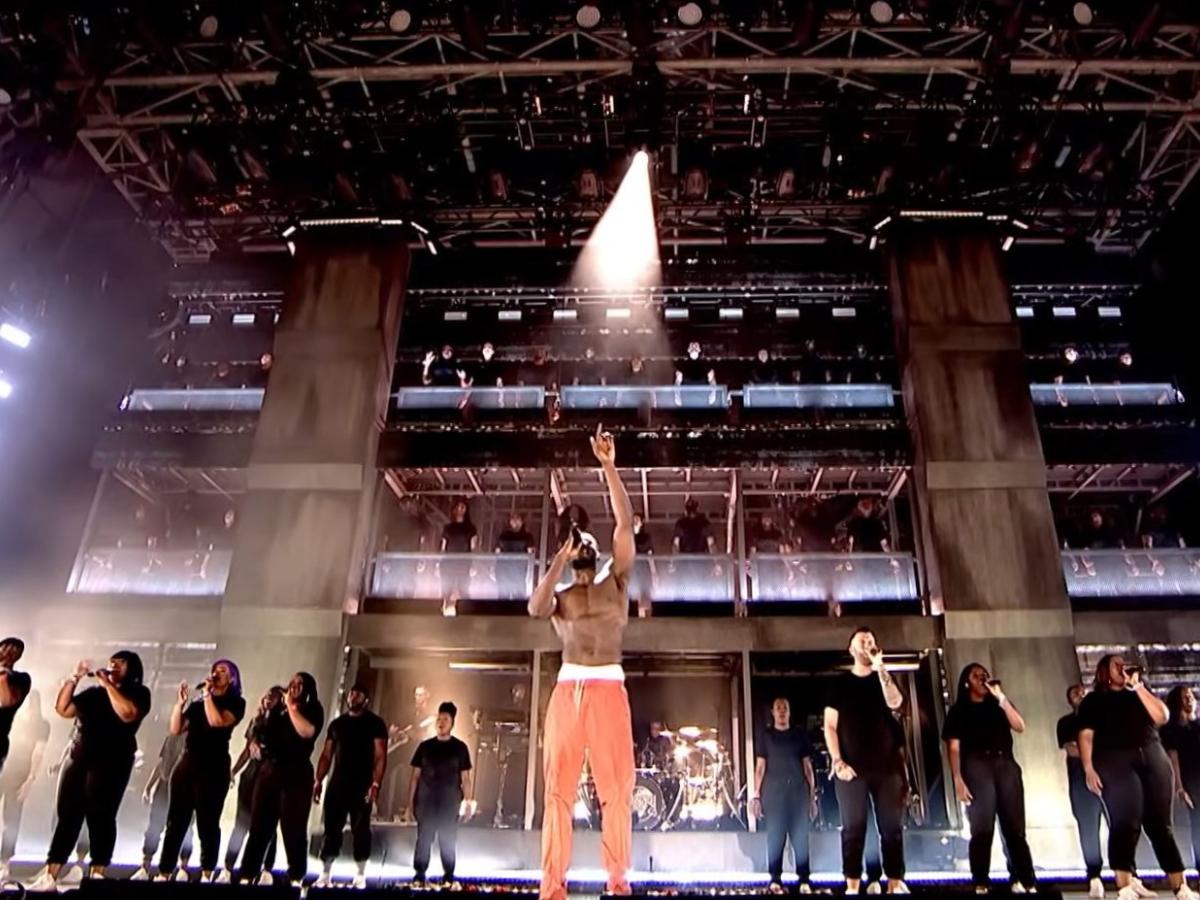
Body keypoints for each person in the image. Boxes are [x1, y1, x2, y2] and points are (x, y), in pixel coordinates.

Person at [529, 424, 636, 900]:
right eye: (580, 546)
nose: (586, 548)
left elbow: (625, 526)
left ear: (596, 553)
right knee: (558, 794)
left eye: (588, 545)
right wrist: (558, 558)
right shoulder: (564, 597)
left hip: (609, 688)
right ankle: (553, 886)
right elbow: (534, 607)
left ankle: (618, 881)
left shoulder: (618, 584)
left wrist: (609, 466)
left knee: (617, 792)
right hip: (568, 690)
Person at [28, 651, 152, 891]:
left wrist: (107, 683)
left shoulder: (138, 693)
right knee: (68, 815)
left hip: (113, 761)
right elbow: (63, 709)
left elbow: (127, 714)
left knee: (101, 817)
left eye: (121, 662)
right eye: (111, 662)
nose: (113, 665)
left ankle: (97, 873)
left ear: (132, 668)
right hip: (80, 757)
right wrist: (74, 677)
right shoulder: (93, 694)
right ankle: (51, 874)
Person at [1079, 655, 1197, 900]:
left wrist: (1139, 687)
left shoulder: (1139, 692)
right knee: (1125, 821)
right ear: (1104, 671)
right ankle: (1124, 885)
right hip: (1115, 760)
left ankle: (1181, 885)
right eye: (1116, 664)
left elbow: (1162, 716)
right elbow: (1086, 735)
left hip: (1152, 754)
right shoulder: (1094, 700)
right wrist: (1088, 767)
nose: (1122, 667)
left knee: (1161, 824)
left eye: (1125, 663)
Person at [823, 627, 908, 894]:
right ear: (851, 649)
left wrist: (880, 667)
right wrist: (837, 761)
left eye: (871, 640)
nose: (868, 643)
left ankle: (894, 881)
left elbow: (895, 704)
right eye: (862, 640)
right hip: (852, 767)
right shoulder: (840, 684)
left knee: (891, 825)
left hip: (886, 767)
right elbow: (830, 726)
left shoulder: (883, 679)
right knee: (854, 826)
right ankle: (852, 884)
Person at [942, 663, 1036, 893]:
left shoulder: (998, 705)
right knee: (982, 827)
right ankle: (981, 882)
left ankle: (1024, 879)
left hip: (1005, 764)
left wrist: (1002, 698)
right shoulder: (958, 711)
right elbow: (953, 748)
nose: (981, 677)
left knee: (1014, 826)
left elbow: (1019, 725)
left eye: (984, 673)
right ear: (966, 683)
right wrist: (957, 779)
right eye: (976, 675)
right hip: (976, 766)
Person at [156, 659, 246, 882]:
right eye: (214, 670)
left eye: (222, 671)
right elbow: (176, 729)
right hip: (189, 763)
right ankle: (165, 871)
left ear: (232, 678)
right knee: (176, 822)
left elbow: (217, 721)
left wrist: (207, 696)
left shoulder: (235, 702)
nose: (216, 673)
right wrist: (180, 704)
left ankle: (207, 872)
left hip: (214, 768)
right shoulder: (198, 704)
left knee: (207, 823)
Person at [236, 672, 325, 886]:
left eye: (299, 684)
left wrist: (292, 708)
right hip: (270, 771)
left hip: (296, 774)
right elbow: (262, 731)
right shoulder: (278, 709)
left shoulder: (312, 709)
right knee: (259, 826)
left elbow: (307, 732)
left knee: (292, 828)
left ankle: (295, 876)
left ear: (307, 689)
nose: (293, 687)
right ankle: (248, 874)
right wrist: (256, 743)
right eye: (292, 683)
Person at [314, 683, 388, 888]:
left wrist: (375, 783)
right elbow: (327, 754)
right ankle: (326, 872)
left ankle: (360, 873)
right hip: (338, 782)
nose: (353, 697)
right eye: (351, 694)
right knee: (332, 827)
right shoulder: (337, 724)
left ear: (365, 699)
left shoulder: (375, 723)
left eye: (358, 694)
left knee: (361, 828)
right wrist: (318, 780)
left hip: (362, 783)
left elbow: (380, 756)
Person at [752, 697, 817, 894]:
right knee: (775, 837)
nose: (781, 711)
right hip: (774, 793)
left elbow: (807, 767)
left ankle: (804, 878)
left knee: (800, 837)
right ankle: (775, 879)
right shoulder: (766, 736)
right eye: (778, 708)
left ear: (789, 712)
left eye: (785, 708)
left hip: (797, 792)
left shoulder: (799, 735)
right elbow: (760, 768)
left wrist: (812, 797)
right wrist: (756, 796)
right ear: (772, 712)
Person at [218, 686, 283, 883]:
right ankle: (228, 868)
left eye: (274, 696)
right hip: (251, 775)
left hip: (271, 775)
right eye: (267, 695)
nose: (268, 698)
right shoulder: (256, 721)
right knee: (241, 822)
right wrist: (233, 771)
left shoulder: (284, 723)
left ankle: (266, 869)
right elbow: (247, 751)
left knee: (267, 826)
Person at [406, 701, 475, 885]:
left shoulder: (460, 748)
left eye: (445, 719)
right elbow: (414, 777)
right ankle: (420, 874)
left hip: (449, 803)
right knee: (424, 839)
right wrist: (409, 804)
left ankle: (448, 875)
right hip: (426, 801)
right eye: (439, 718)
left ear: (452, 723)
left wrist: (468, 803)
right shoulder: (425, 746)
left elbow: (466, 779)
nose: (441, 722)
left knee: (448, 840)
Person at [1059, 684, 1108, 899]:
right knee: (1088, 829)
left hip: (1109, 778)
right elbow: (1072, 749)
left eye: (1082, 691)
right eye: (1074, 693)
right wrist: (1093, 750)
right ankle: (1094, 876)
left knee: (1120, 824)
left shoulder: (1103, 719)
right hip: (1081, 782)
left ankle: (1128, 873)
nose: (1080, 694)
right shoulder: (1066, 722)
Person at [0, 689, 49, 883]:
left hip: (19, 774)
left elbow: (39, 752)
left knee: (12, 819)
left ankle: (4, 862)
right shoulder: (9, 718)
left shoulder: (41, 725)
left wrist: (30, 779)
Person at [130, 729, 192, 880]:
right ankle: (145, 866)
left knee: (185, 828)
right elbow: (162, 763)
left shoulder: (196, 738)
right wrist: (149, 785)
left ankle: (182, 867)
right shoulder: (172, 735)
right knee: (154, 826)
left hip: (185, 786)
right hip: (164, 786)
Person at [1164, 686, 1200, 874]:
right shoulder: (1173, 731)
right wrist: (1180, 787)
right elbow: (1173, 759)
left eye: (1191, 696)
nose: (1190, 699)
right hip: (1192, 783)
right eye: (1185, 697)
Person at [440, 499, 479, 612]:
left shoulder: (471, 528)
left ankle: (464, 612)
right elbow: (443, 546)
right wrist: (439, 562)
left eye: (463, 507)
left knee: (463, 588)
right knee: (446, 588)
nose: (460, 509)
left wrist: (474, 564)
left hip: (464, 563)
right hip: (448, 563)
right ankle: (444, 609)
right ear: (454, 510)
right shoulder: (448, 528)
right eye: (458, 507)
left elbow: (473, 547)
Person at [0, 638, 31, 775]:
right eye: (5, 647)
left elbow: (7, 701)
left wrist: (2, 669)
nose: (8, 652)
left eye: (14, 650)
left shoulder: (21, 679)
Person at [494, 512, 537, 600]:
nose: (515, 521)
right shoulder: (504, 535)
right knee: (503, 596)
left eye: (517, 518)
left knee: (518, 596)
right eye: (513, 518)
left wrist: (530, 571)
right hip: (503, 570)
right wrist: (493, 567)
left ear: (522, 521)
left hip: (519, 571)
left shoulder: (527, 536)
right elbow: (497, 551)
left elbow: (531, 554)